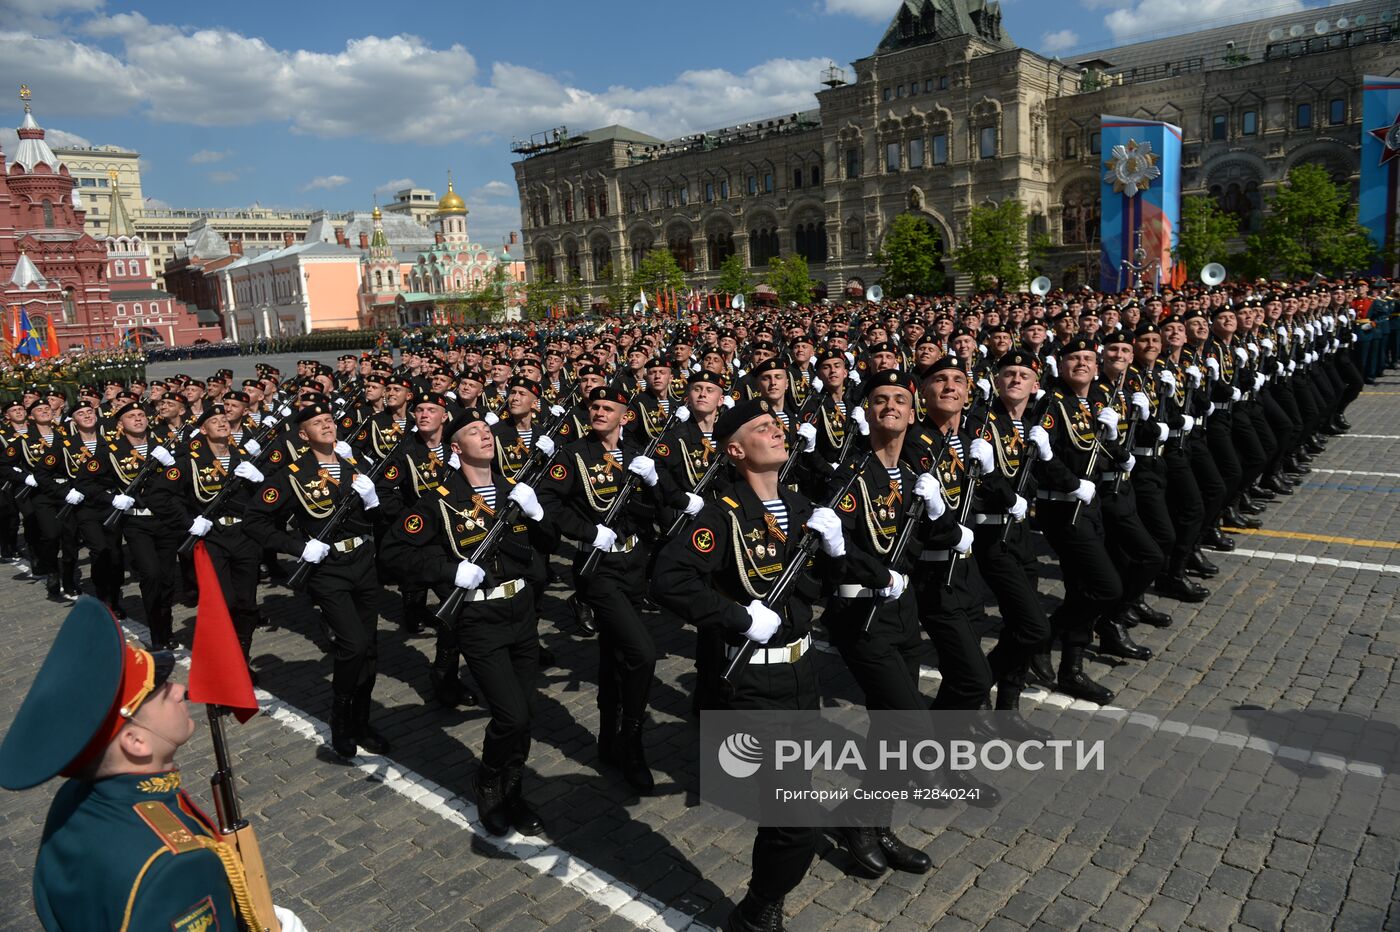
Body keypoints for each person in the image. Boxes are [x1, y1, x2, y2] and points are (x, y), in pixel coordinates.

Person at [652, 398, 845, 932]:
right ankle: (758, 912)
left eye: (776, 424)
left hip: (802, 674)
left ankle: (764, 904)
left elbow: (817, 590)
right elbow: (670, 580)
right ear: (736, 450)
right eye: (763, 428)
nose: (777, 431)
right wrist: (736, 616)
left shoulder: (803, 506)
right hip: (755, 677)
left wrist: (835, 550)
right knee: (794, 820)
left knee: (786, 809)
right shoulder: (720, 513)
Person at [0, 597, 306, 932]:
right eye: (160, 690)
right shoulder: (178, 867)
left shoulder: (71, 800)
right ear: (136, 742)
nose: (179, 690)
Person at [381, 408, 547, 837]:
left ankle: (514, 789)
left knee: (526, 712)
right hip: (478, 617)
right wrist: (448, 570)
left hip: (522, 612)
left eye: (487, 430)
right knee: (509, 715)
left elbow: (547, 548)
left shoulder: (515, 491)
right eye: (473, 432)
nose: (485, 435)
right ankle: (489, 780)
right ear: (456, 447)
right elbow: (395, 553)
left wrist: (539, 515)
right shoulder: (438, 499)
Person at [243, 398, 390, 759]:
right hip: (328, 570)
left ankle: (361, 721)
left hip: (364, 563)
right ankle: (340, 721)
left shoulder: (355, 464)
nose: (327, 425)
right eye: (317, 422)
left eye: (329, 419)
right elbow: (255, 520)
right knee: (352, 645)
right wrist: (296, 546)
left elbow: (379, 518)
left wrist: (373, 503)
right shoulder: (292, 474)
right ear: (303, 434)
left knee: (369, 649)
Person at [537, 386, 664, 794]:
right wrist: (589, 532)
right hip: (599, 569)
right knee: (642, 653)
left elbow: (658, 504)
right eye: (594, 407)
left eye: (608, 407)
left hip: (633, 564)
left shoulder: (637, 452)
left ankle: (608, 735)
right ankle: (632, 742)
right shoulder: (572, 454)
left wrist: (654, 483)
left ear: (625, 416)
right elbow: (547, 502)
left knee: (614, 652)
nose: (599, 412)